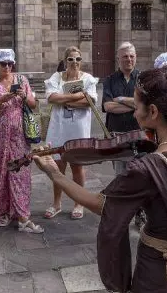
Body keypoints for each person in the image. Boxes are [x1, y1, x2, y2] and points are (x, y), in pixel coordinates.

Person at [32, 69, 167, 292]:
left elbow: (102, 204)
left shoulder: (149, 168)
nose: (134, 114)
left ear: (153, 111)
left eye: (137, 106)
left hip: (164, 275)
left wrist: (55, 174)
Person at [0, 49, 43, 233]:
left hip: (20, 136)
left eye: (10, 63)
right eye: (3, 64)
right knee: (1, 175)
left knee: (21, 174)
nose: (7, 67)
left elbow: (33, 104)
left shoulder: (22, 81)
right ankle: (4, 213)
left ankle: (23, 215)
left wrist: (24, 96)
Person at [43, 46, 98, 220]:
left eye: (78, 59)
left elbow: (90, 101)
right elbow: (51, 97)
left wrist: (65, 100)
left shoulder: (88, 78)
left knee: (77, 167)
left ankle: (78, 203)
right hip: (58, 128)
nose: (74, 63)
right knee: (58, 167)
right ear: (65, 61)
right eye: (71, 59)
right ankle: (56, 203)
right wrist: (76, 97)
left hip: (78, 129)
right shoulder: (57, 77)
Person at [101, 42, 141, 175]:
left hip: (140, 134)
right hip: (116, 135)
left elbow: (146, 104)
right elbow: (108, 106)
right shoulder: (109, 80)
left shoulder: (143, 79)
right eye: (125, 57)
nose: (129, 59)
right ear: (118, 59)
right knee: (120, 175)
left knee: (141, 173)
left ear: (135, 57)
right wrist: (136, 105)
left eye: (131, 56)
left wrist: (121, 99)